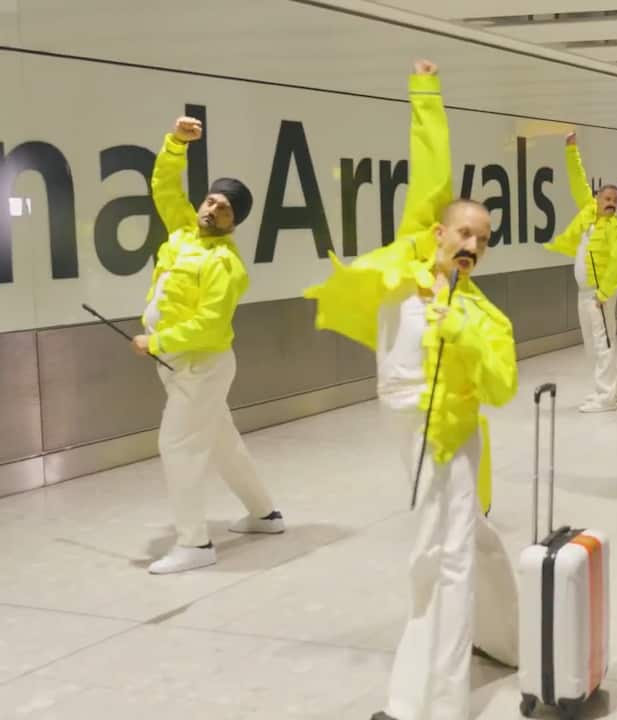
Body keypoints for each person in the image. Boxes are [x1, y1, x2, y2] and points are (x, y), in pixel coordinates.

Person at [303, 60, 518, 720]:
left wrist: (465, 333)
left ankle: (426, 704)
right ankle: (512, 637)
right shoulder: (405, 266)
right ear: (437, 233)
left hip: (449, 438)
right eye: (464, 232)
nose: (473, 244)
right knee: (466, 542)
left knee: (441, 559)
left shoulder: (486, 314)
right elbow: (430, 171)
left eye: (484, 239)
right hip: (405, 426)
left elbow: (501, 385)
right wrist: (427, 96)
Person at [133, 115, 284, 575]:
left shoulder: (226, 263)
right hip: (178, 364)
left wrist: (158, 339)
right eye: (211, 200)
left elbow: (210, 325)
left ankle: (195, 545)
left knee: (178, 445)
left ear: (234, 221)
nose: (211, 208)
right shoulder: (181, 233)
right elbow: (164, 186)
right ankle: (265, 515)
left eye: (223, 208)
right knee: (222, 443)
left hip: (199, 366)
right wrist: (177, 143)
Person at [543, 131, 617, 413]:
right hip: (585, 293)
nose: (611, 202)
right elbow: (577, 181)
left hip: (599, 296)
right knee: (594, 344)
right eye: (606, 197)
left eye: (615, 199)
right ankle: (610, 390)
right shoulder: (588, 215)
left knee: (602, 343)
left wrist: (604, 293)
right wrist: (571, 151)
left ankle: (605, 397)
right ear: (597, 198)